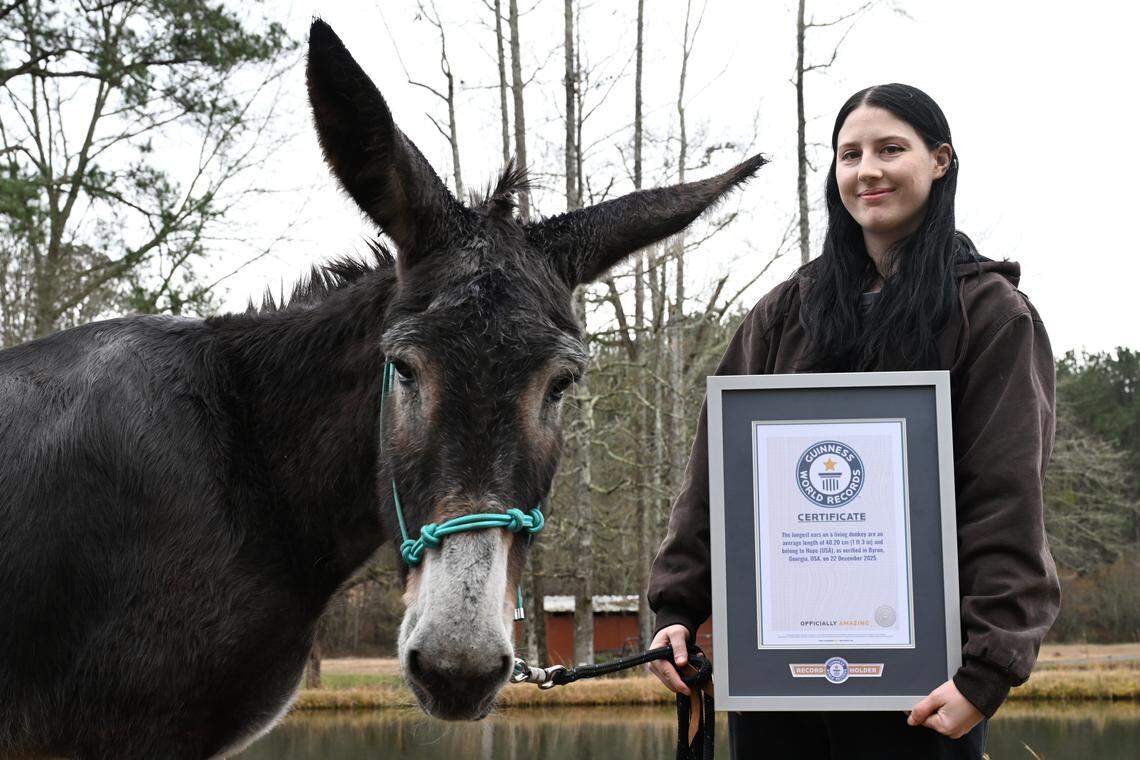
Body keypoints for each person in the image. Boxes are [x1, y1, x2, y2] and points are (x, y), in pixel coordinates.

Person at [646, 83, 1060, 759]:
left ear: (941, 160)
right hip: (776, 683)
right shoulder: (785, 314)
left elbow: (1007, 499)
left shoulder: (990, 316)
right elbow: (714, 479)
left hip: (925, 688)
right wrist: (677, 611)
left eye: (890, 149)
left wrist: (989, 671)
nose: (867, 169)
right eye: (849, 154)